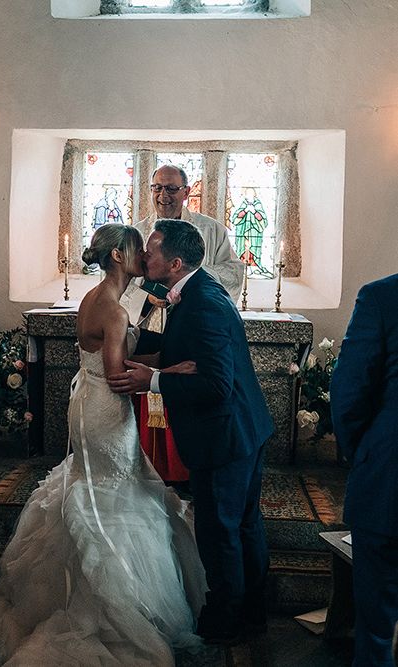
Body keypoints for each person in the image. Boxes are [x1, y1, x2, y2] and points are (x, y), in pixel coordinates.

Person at [0, 224, 207, 667]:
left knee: (95, 484)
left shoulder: (94, 298)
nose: (144, 256)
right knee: (112, 491)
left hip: (87, 402)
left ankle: (71, 589)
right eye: (138, 249)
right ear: (119, 256)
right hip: (106, 409)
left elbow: (107, 360)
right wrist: (170, 371)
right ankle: (109, 606)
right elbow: (120, 374)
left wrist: (161, 360)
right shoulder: (115, 311)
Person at [108, 219, 273, 645]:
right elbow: (182, 352)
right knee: (243, 525)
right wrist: (164, 362)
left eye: (153, 251)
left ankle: (226, 622)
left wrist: (155, 380)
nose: (145, 256)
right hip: (241, 430)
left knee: (221, 531)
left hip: (224, 436)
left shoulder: (203, 304)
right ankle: (254, 614)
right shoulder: (193, 292)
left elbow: (216, 385)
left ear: (175, 263)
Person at [121, 165, 244, 483]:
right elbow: (126, 282)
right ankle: (150, 464)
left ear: (187, 192)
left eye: (171, 189)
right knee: (148, 390)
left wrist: (182, 284)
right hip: (151, 326)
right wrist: (150, 297)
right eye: (157, 188)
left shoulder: (210, 229)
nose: (163, 195)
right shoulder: (137, 233)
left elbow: (232, 273)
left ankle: (182, 469)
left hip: (191, 324)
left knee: (190, 385)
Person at [330, 274, 398, 667]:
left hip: (389, 482)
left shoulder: (383, 296)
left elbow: (350, 390)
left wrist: (363, 455)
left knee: (374, 628)